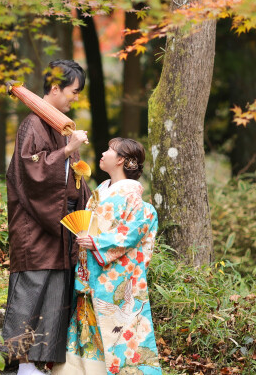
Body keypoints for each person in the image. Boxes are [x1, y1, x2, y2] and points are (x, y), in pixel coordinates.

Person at [3, 60, 92, 375]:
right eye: (73, 91)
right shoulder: (33, 124)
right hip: (36, 227)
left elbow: (75, 181)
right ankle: (20, 365)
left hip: (61, 225)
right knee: (32, 292)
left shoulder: (58, 125)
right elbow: (32, 172)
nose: (75, 99)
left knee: (56, 294)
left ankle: (41, 365)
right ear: (55, 88)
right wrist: (68, 151)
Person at [52, 137, 162, 375]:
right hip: (91, 268)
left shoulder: (133, 197)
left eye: (109, 150)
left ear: (121, 159)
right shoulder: (101, 190)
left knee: (119, 327)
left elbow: (131, 233)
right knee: (87, 323)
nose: (103, 153)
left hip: (115, 274)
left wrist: (97, 242)